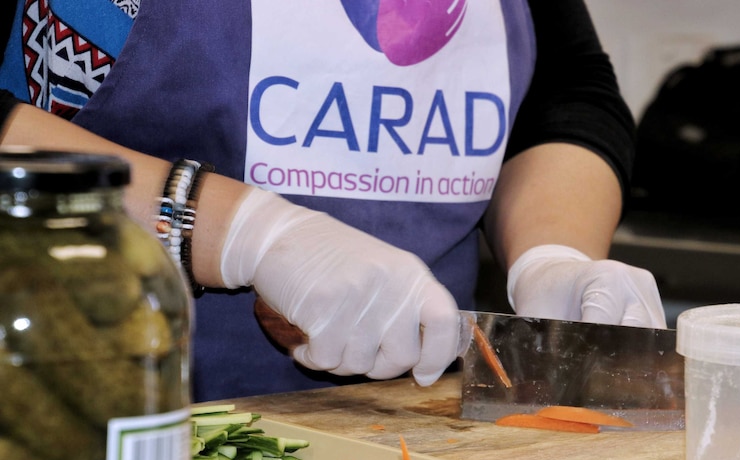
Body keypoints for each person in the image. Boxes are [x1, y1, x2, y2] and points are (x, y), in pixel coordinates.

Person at [0, 0, 667, 402]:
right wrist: (238, 231)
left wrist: (552, 257)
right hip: (71, 423)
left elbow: (567, 91)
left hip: (411, 443)